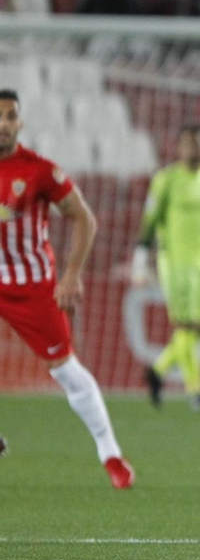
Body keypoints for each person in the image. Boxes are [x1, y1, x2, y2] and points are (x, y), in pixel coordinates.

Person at [0, 89, 134, 488]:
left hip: (33, 286)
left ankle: (110, 454)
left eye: (10, 116)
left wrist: (71, 275)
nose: (3, 123)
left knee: (68, 372)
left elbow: (85, 220)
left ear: (20, 124)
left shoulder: (40, 170)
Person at [132, 125, 200, 412]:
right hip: (177, 263)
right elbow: (150, 220)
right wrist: (140, 260)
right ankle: (197, 391)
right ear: (179, 148)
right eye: (190, 144)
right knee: (187, 325)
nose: (196, 150)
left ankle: (158, 370)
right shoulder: (166, 180)